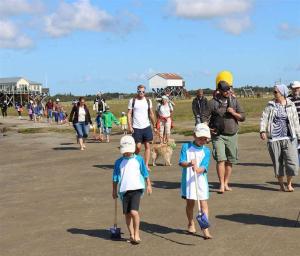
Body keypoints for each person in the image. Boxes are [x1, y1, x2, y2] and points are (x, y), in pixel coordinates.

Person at [202, 73, 246, 193]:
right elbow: (204, 116)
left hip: (232, 134)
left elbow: (243, 117)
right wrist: (206, 128)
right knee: (220, 159)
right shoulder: (212, 103)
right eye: (225, 90)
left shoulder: (235, 101)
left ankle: (226, 183)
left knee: (230, 161)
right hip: (218, 135)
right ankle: (221, 184)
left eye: (229, 89)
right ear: (219, 90)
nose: (228, 92)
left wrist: (233, 113)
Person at [112, 135, 152, 244]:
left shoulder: (139, 159)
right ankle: (131, 234)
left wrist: (148, 184)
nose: (126, 153)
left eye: (128, 151)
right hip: (124, 190)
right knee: (127, 214)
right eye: (124, 151)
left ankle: (137, 233)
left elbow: (145, 172)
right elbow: (115, 177)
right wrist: (114, 190)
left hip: (137, 189)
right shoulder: (118, 162)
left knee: (134, 212)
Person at [260, 84, 300, 192]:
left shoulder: (290, 105)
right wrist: (262, 130)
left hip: (289, 137)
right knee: (278, 163)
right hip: (274, 139)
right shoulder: (270, 105)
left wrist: (298, 135)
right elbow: (264, 118)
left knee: (292, 162)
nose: (274, 93)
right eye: (274, 92)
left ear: (282, 93)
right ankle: (281, 185)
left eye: (275, 92)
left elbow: (296, 121)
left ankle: (289, 183)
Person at [179, 123, 212, 239]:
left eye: (205, 138)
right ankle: (191, 222)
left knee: (204, 205)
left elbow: (204, 166)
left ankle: (205, 229)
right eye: (200, 138)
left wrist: (198, 169)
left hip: (201, 181)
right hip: (188, 180)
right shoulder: (185, 147)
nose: (203, 140)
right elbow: (181, 162)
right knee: (190, 204)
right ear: (194, 135)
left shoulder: (207, 151)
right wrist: (189, 164)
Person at [127, 84, 157, 170]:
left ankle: (145, 165)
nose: (141, 93)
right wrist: (130, 126)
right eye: (139, 91)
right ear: (137, 91)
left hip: (146, 126)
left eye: (143, 91)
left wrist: (154, 125)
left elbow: (151, 113)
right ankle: (133, 160)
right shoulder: (132, 101)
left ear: (145, 92)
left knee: (147, 146)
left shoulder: (148, 101)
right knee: (138, 147)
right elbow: (129, 114)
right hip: (136, 127)